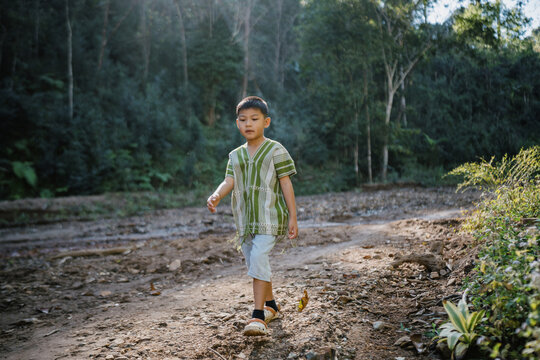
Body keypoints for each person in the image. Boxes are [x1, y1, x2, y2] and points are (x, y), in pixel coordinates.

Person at [206, 96, 298, 336]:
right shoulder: (235, 155)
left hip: (270, 218)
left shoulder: (276, 150)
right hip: (245, 222)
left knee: (258, 257)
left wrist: (293, 217)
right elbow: (229, 181)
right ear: (238, 124)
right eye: (243, 120)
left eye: (254, 119)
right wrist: (216, 195)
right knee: (255, 262)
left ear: (266, 122)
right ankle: (271, 306)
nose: (249, 124)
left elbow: (286, 184)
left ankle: (257, 317)